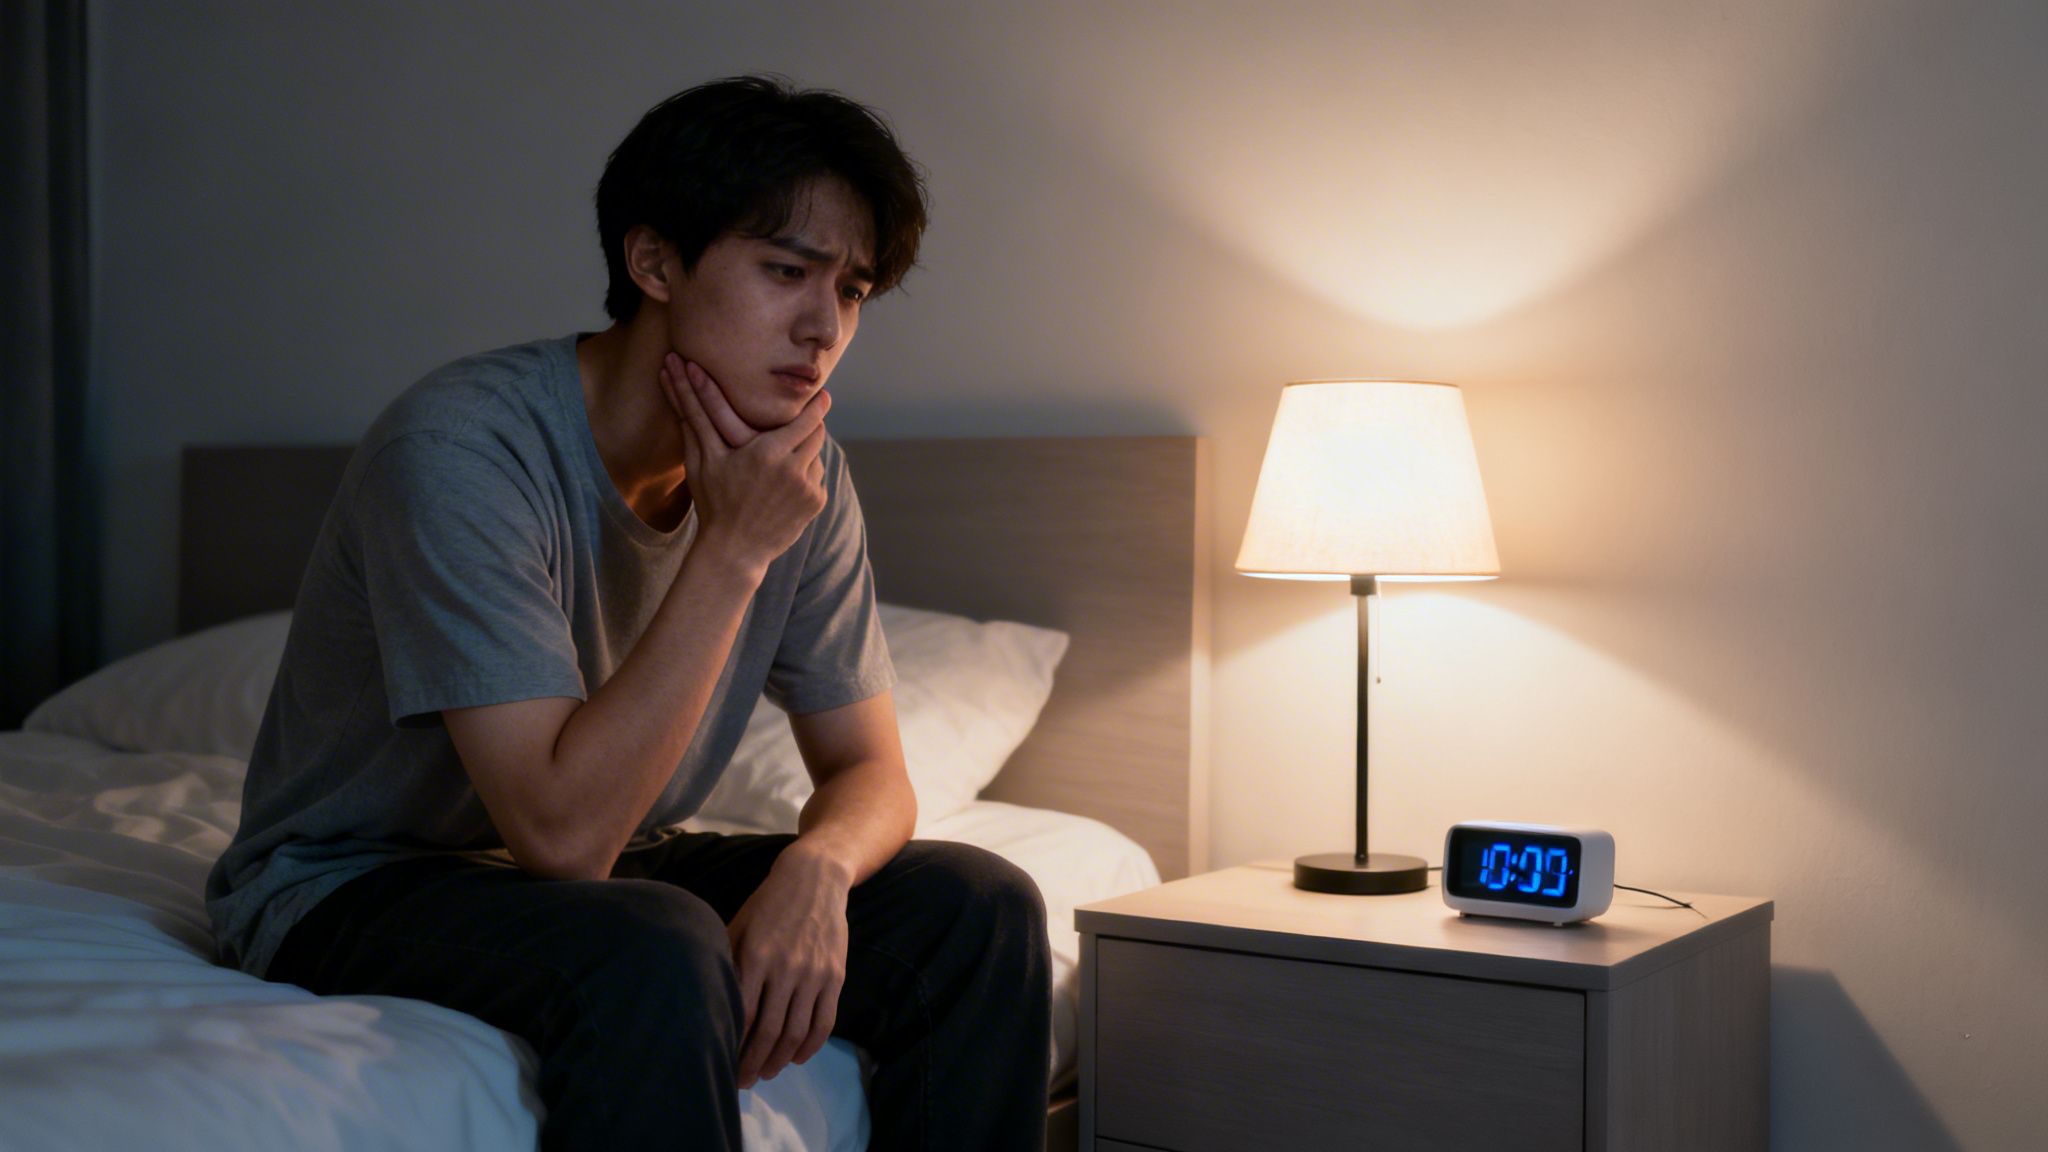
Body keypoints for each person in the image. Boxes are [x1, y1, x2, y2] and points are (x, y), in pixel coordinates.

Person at [205, 75, 1051, 1150]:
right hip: (357, 880)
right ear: (653, 264)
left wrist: (815, 870)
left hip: (620, 860)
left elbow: (869, 772)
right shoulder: (465, 451)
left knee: (976, 910)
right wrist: (732, 549)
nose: (821, 326)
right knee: (657, 943)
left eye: (851, 290)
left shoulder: (806, 475)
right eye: (786, 271)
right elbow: (558, 837)